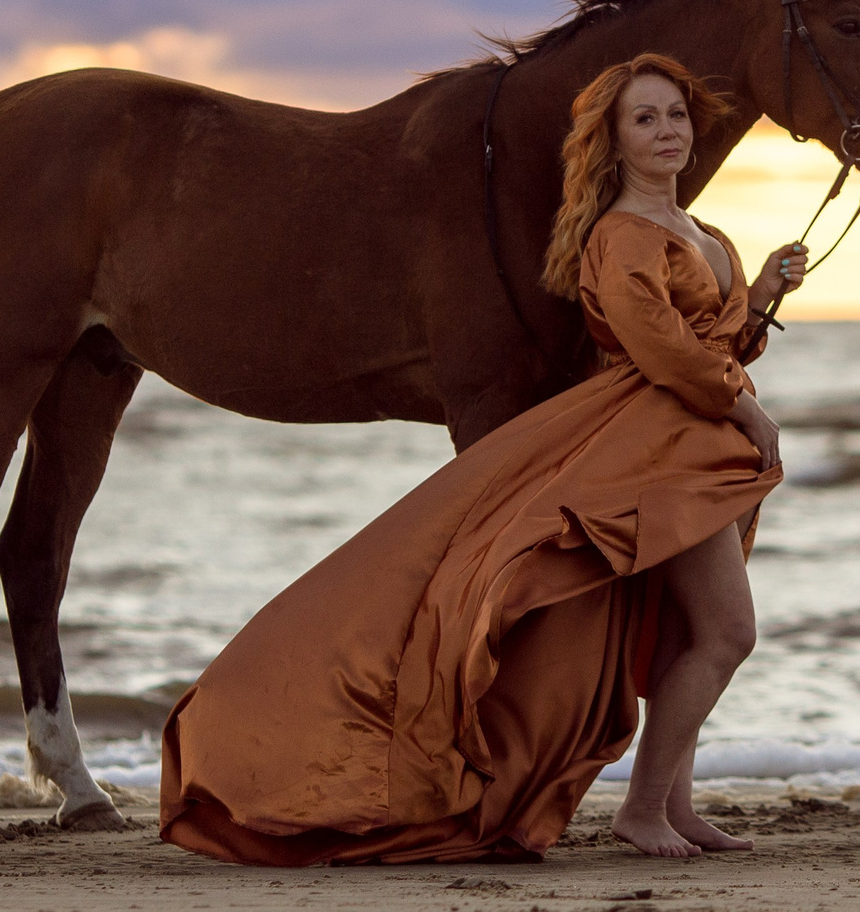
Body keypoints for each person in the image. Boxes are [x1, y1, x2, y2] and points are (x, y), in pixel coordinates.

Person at [158, 52, 807, 863]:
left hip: (696, 444)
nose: (666, 130)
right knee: (728, 632)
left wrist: (764, 294)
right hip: (657, 451)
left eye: (675, 113)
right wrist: (745, 406)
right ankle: (642, 810)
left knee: (684, 630)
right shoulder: (620, 237)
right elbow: (661, 350)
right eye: (644, 119)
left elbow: (715, 340)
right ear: (613, 141)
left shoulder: (703, 235)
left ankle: (674, 807)